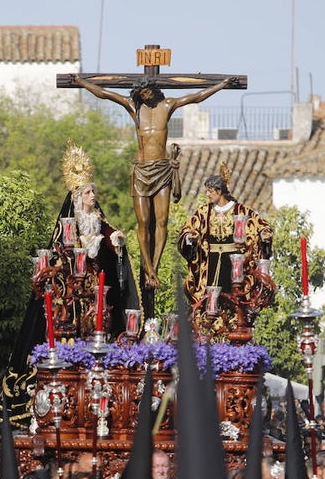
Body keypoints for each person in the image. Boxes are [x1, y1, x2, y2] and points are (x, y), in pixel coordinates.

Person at [69, 73, 240, 290]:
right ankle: (147, 268)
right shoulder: (135, 108)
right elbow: (105, 94)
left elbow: (196, 97)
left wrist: (222, 85)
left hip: (162, 170)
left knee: (161, 221)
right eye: (142, 94)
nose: (146, 96)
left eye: (148, 92)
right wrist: (80, 82)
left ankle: (155, 268)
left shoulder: (167, 106)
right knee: (143, 222)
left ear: (154, 89)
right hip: (141, 171)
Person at [57, 144, 137, 337]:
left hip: (98, 273)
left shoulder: (96, 217)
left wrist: (114, 238)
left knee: (100, 309)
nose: (93, 196)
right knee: (79, 307)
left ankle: (101, 334)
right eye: (87, 193)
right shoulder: (71, 221)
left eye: (93, 192)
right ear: (78, 197)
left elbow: (108, 232)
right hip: (77, 274)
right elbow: (62, 245)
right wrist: (84, 242)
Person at [177, 172, 274, 309]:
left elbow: (261, 226)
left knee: (235, 299)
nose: (207, 195)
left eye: (210, 191)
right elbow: (188, 229)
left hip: (234, 263)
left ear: (219, 191)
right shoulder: (203, 212)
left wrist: (264, 235)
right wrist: (189, 237)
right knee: (210, 300)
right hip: (210, 262)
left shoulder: (241, 211)